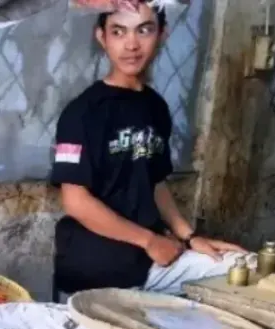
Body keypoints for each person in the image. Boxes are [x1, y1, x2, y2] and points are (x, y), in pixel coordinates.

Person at [51, 1, 245, 300]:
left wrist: (189, 237)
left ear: (162, 34)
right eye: (119, 31)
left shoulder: (155, 107)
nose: (131, 44)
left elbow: (154, 182)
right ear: (101, 36)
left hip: (151, 260)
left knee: (242, 267)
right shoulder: (82, 113)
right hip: (95, 267)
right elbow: (75, 201)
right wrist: (149, 240)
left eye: (144, 30)